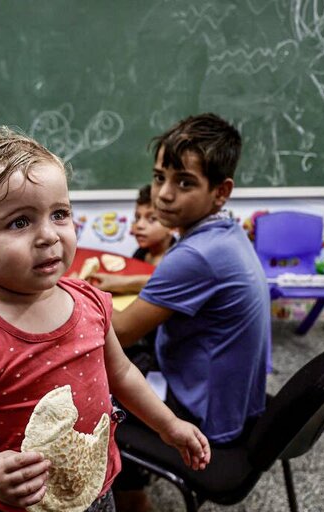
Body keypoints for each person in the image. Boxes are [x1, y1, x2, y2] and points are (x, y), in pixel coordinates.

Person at [0, 127, 211, 512]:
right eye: (19, 222)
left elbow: (121, 375)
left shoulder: (91, 303)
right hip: (20, 511)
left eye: (59, 214)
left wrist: (168, 425)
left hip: (96, 486)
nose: (48, 236)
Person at [112, 113, 270, 445]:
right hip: (235, 404)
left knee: (93, 388)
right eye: (159, 178)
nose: (164, 195)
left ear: (221, 191)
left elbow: (121, 331)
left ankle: (133, 496)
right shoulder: (225, 235)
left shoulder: (195, 255)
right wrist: (124, 285)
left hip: (203, 416)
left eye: (184, 182)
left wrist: (63, 293)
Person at [90, 184, 176, 295]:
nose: (139, 225)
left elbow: (172, 283)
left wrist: (123, 283)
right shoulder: (141, 253)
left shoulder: (178, 257)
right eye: (137, 217)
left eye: (152, 219)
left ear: (173, 226)